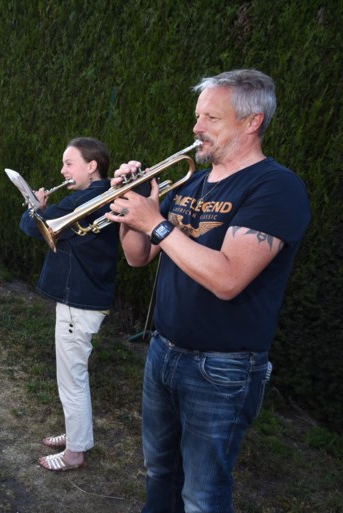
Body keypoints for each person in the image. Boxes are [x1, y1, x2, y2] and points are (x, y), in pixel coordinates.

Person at [104, 69, 311, 513]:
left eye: (211, 118)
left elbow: (227, 278)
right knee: (160, 473)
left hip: (223, 370)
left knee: (203, 495)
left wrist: (155, 221)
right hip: (164, 351)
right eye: (198, 116)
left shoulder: (276, 187)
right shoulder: (193, 182)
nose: (196, 128)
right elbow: (139, 256)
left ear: (252, 122)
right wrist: (128, 209)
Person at [18, 137, 119, 471]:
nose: (63, 170)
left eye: (69, 163)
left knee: (71, 377)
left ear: (92, 166)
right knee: (74, 375)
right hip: (85, 297)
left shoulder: (86, 200)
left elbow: (31, 229)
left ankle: (75, 453)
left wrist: (37, 206)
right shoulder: (100, 196)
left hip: (80, 300)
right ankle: (78, 434)